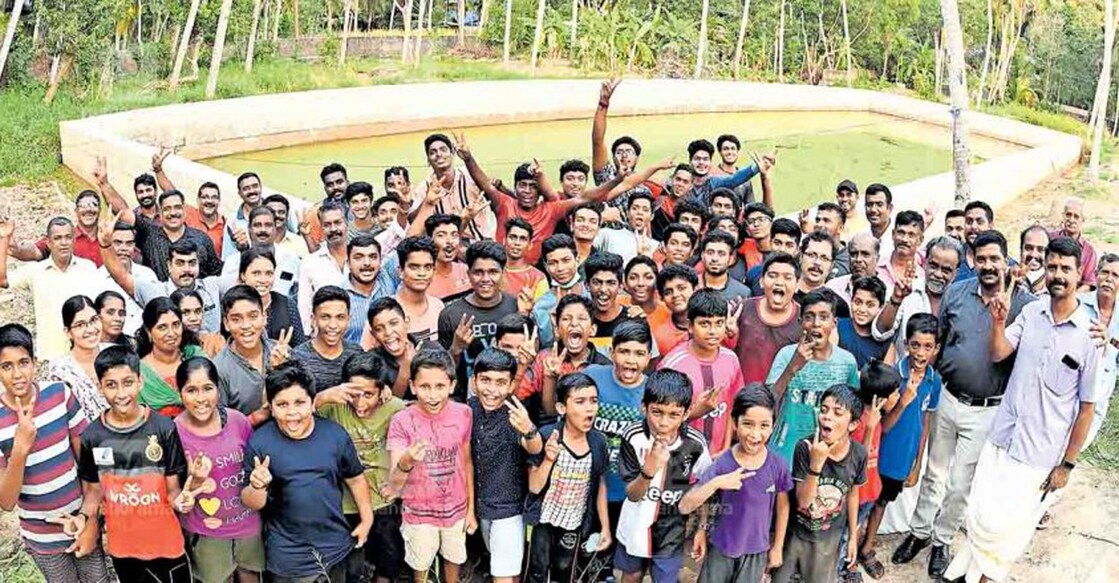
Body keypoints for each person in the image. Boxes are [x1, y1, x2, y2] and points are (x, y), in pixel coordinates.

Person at [943, 237, 1103, 583]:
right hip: (1002, 436)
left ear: (1079, 274)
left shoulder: (1090, 337)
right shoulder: (1031, 313)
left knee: (1008, 530)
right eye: (1052, 267)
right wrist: (998, 323)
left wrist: (1067, 465)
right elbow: (1000, 353)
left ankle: (983, 579)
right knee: (982, 515)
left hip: (1039, 453)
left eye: (1066, 268)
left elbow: (1086, 409)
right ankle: (967, 573)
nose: (1058, 275)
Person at [893, 231, 1035, 578]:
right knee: (934, 473)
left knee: (960, 484)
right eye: (981, 259)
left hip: (987, 408)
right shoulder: (956, 293)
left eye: (994, 259)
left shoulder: (1024, 305)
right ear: (973, 260)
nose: (988, 266)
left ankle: (942, 540)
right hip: (948, 397)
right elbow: (939, 342)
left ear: (1006, 260)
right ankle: (920, 531)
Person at [240, 361, 373, 583]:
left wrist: (366, 519)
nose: (292, 413)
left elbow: (356, 479)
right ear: (271, 408)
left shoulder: (335, 435)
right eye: (282, 404)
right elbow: (250, 502)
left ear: (313, 403)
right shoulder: (260, 442)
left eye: (299, 402)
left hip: (335, 549)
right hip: (288, 559)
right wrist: (257, 486)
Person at [0, 323, 109, 583]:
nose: (17, 374)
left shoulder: (59, 395)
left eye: (23, 362)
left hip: (81, 521)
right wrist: (21, 448)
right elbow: (6, 501)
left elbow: (89, 462)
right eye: (6, 366)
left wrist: (90, 517)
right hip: (42, 538)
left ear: (35, 363)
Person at [77, 345, 192, 582]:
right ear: (100, 387)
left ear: (140, 381)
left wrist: (182, 501)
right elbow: (93, 494)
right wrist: (82, 518)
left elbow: (173, 492)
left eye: (127, 382)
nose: (121, 393)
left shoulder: (163, 429)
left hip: (167, 545)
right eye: (111, 385)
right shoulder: (92, 437)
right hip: (124, 549)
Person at [455, 132, 644, 263]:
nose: (527, 191)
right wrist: (468, 157)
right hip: (501, 268)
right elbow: (484, 184)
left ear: (540, 191)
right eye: (522, 186)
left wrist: (618, 178)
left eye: (533, 186)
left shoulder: (551, 209)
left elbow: (585, 198)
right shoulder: (504, 203)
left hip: (536, 272)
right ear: (515, 187)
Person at [858, 314, 942, 580]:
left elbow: (926, 420)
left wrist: (917, 463)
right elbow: (883, 425)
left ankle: (867, 547)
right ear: (906, 343)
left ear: (936, 348)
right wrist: (904, 399)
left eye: (928, 346)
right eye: (915, 345)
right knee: (863, 502)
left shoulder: (934, 380)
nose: (920, 352)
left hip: (903, 457)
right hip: (879, 453)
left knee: (882, 502)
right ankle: (849, 549)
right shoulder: (893, 376)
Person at [680, 384, 793, 583]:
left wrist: (777, 547)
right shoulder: (723, 463)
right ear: (734, 422)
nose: (755, 434)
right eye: (748, 424)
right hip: (720, 547)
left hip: (756, 551)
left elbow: (783, 507)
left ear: (773, 426)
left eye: (764, 425)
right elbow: (686, 504)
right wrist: (701, 529)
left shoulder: (778, 466)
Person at [314, 351, 408, 583]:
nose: (360, 402)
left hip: (383, 501)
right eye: (354, 394)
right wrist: (323, 397)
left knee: (389, 561)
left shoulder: (394, 407)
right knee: (350, 569)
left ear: (382, 391)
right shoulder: (333, 407)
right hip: (344, 504)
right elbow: (300, 415)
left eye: (369, 394)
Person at [613, 370, 712, 583]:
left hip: (671, 532)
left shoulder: (695, 444)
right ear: (644, 407)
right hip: (635, 526)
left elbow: (705, 488)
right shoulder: (633, 437)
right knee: (632, 575)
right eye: (656, 412)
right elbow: (632, 494)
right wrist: (648, 471)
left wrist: (702, 529)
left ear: (686, 413)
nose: (663, 422)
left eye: (674, 415)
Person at [385, 348, 474, 583]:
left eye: (440, 386)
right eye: (424, 387)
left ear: (452, 386)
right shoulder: (402, 421)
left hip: (456, 509)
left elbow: (466, 462)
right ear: (413, 386)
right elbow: (394, 484)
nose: (432, 395)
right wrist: (406, 461)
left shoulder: (464, 413)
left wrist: (471, 509)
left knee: (453, 557)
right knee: (421, 565)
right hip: (418, 514)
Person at [172, 357, 264, 583]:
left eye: (208, 388)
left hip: (248, 525)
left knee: (251, 575)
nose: (201, 398)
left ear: (218, 389)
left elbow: (254, 469)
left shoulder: (237, 421)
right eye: (191, 390)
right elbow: (173, 489)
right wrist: (189, 488)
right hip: (206, 533)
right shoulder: (174, 432)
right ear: (180, 393)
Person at [772, 384, 867, 583]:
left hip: (828, 540)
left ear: (853, 424)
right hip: (796, 535)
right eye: (823, 410)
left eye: (837, 413)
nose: (827, 416)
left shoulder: (858, 454)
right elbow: (804, 503)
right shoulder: (804, 448)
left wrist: (852, 537)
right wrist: (816, 465)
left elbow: (853, 495)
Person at [524, 372, 612, 583]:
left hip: (574, 522)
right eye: (580, 402)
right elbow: (534, 487)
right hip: (542, 521)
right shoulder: (546, 436)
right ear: (562, 408)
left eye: (593, 401)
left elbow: (599, 484)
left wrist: (605, 527)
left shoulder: (598, 443)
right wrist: (548, 459)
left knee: (565, 571)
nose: (589, 408)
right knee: (536, 570)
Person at [467, 349, 543, 583]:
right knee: (506, 567)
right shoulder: (469, 409)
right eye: (485, 380)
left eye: (501, 382)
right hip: (481, 508)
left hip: (508, 511)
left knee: (502, 574)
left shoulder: (515, 413)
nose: (492, 389)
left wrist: (529, 429)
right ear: (474, 381)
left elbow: (535, 447)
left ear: (511, 385)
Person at [583, 320, 653, 572]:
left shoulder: (651, 391)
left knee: (623, 557)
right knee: (589, 554)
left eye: (639, 353)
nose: (630, 361)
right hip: (591, 487)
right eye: (624, 351)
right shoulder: (592, 376)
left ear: (649, 356)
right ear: (611, 352)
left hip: (628, 492)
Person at [767, 288, 860, 468]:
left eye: (823, 317)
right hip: (784, 452)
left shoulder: (847, 361)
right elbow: (768, 401)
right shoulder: (786, 355)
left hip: (826, 457)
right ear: (801, 322)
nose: (816, 323)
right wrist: (793, 367)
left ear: (834, 322)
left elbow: (852, 411)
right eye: (809, 317)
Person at [100, 215, 224, 333]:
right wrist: (105, 245)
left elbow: (241, 275)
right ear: (169, 266)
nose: (187, 269)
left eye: (192, 263)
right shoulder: (156, 292)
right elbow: (121, 277)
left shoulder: (213, 286)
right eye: (180, 263)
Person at [0, 216, 101, 360]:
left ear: (74, 240)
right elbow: (3, 280)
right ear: (48, 242)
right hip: (51, 357)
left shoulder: (88, 268)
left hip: (88, 356)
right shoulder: (35, 271)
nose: (63, 243)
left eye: (68, 237)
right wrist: (4, 238)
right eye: (58, 238)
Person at [658, 289, 745, 453]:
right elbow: (660, 422)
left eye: (719, 323)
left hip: (718, 456)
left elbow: (731, 410)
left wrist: (725, 448)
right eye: (704, 324)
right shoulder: (672, 365)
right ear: (690, 326)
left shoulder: (731, 360)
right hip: (678, 459)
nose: (712, 331)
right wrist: (695, 413)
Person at [837, 361, 901, 583]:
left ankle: (848, 564)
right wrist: (871, 428)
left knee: (853, 531)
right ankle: (842, 569)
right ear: (880, 399)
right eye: (895, 393)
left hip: (870, 492)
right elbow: (856, 464)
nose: (898, 396)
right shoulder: (857, 423)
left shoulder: (875, 417)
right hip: (854, 496)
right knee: (845, 536)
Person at [438, 240, 518, 400]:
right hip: (465, 402)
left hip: (507, 398)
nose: (485, 279)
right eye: (478, 272)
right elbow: (442, 372)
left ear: (503, 273)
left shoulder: (514, 306)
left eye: (493, 272)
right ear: (468, 274)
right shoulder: (450, 314)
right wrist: (456, 348)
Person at [517, 294, 611, 422]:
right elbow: (516, 397)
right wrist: (522, 366)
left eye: (582, 318)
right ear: (556, 330)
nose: (574, 324)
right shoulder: (544, 358)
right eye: (566, 319)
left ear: (593, 330)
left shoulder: (604, 367)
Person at [872, 235, 963, 356]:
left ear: (956, 272)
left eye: (946, 270)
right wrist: (896, 300)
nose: (937, 274)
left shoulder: (961, 300)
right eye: (933, 266)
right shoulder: (907, 290)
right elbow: (880, 333)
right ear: (925, 263)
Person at [212, 286, 289, 425]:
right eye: (236, 319)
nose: (246, 325)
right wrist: (257, 417)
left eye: (253, 316)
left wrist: (281, 369)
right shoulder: (219, 369)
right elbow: (221, 425)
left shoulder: (282, 351)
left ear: (264, 317)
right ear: (226, 323)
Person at [411, 132, 497, 240]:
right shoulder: (424, 188)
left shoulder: (471, 174)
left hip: (482, 242)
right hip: (447, 248)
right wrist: (427, 202)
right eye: (433, 152)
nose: (439, 154)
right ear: (428, 161)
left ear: (452, 154)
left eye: (443, 150)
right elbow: (412, 222)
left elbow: (489, 189)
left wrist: (468, 158)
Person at [735, 253, 802, 385]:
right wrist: (729, 336)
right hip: (744, 397)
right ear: (761, 281)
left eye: (787, 278)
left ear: (797, 285)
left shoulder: (804, 318)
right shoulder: (743, 309)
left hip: (782, 398)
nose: (779, 282)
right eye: (773, 276)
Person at [135, 298, 205, 417]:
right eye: (162, 327)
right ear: (148, 332)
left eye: (176, 325)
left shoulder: (196, 356)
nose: (171, 333)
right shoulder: (139, 372)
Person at [46, 296, 110, 421]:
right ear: (68, 332)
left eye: (94, 320)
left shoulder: (114, 353)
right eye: (80, 325)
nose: (91, 329)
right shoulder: (60, 371)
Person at [290, 286, 363, 394]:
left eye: (340, 317)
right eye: (325, 317)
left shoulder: (356, 352)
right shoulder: (297, 357)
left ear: (348, 320)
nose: (333, 325)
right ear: (313, 319)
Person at [218, 206, 301, 297]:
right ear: (249, 228)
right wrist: (243, 254)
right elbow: (228, 296)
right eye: (257, 225)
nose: (263, 230)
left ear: (275, 229)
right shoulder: (233, 261)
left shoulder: (291, 259)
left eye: (268, 225)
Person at [296, 201, 349, 333]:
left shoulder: (361, 256)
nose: (333, 229)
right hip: (326, 337)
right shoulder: (310, 263)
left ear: (347, 223)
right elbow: (304, 306)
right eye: (327, 225)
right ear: (321, 228)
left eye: (338, 222)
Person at [96, 222, 158, 336]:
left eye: (129, 243)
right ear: (109, 244)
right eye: (118, 243)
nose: (123, 248)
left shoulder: (147, 275)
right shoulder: (96, 278)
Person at [236, 246, 306, 345]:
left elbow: (300, 347)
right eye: (256, 273)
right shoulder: (233, 305)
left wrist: (287, 355)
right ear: (243, 275)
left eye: (269, 273)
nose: (263, 280)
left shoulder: (287, 304)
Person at [531, 234, 586, 346]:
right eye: (553, 263)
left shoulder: (593, 296)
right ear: (546, 266)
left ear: (577, 260)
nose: (560, 268)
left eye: (566, 260)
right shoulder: (540, 308)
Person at [584, 252, 642, 357]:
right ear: (587, 285)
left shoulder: (633, 320)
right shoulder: (580, 321)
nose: (603, 289)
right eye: (597, 282)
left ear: (620, 287)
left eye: (611, 283)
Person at [390, 236, 445, 346]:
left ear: (434, 270)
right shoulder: (386, 310)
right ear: (400, 271)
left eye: (428, 267)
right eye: (414, 267)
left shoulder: (438, 306)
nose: (422, 273)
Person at [342, 234, 394, 345]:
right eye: (358, 257)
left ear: (380, 261)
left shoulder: (389, 278)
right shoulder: (338, 298)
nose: (366, 263)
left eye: (373, 256)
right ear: (348, 264)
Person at [365, 297, 422, 399]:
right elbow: (387, 408)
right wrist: (405, 369)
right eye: (379, 329)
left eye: (394, 323)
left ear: (407, 322)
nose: (388, 332)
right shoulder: (372, 363)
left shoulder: (429, 349)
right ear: (373, 334)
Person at [837, 276, 892, 368]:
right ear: (851, 301)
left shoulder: (885, 340)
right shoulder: (837, 327)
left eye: (870, 305)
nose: (862, 309)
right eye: (858, 302)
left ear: (881, 307)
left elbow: (886, 377)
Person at [594, 192, 660, 265]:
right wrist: (601, 218)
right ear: (628, 213)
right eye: (635, 208)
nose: (639, 212)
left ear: (652, 216)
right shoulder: (607, 234)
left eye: (645, 210)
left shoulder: (656, 246)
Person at [1049, 197, 1097, 289]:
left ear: (1083, 220)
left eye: (1076, 216)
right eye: (1068, 215)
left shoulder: (1089, 251)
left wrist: (1070, 298)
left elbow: (1088, 284)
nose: (1071, 220)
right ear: (1063, 216)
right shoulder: (1050, 239)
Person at [649, 264, 698, 355]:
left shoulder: (713, 323)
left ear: (695, 289)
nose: (675, 295)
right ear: (662, 298)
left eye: (681, 288)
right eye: (668, 292)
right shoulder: (660, 336)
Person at [876, 210, 926, 293]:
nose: (904, 239)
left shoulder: (922, 277)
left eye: (911, 235)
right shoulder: (876, 267)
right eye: (901, 233)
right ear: (893, 234)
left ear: (920, 240)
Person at [697, 229, 752, 302]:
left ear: (731, 259)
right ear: (702, 255)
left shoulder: (743, 293)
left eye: (721, 254)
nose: (715, 258)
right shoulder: (691, 287)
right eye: (710, 253)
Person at [827, 232, 881, 305]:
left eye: (865, 254)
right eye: (853, 254)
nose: (858, 259)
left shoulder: (888, 291)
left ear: (877, 258)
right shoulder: (833, 288)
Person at [170, 288, 227, 358]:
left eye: (198, 311)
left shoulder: (215, 341)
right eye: (185, 312)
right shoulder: (166, 345)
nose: (194, 318)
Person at [500, 218, 546, 297]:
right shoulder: (491, 271)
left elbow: (543, 308)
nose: (517, 243)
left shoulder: (538, 277)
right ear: (504, 240)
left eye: (522, 239)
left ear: (529, 245)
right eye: (513, 237)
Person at [954, 200, 995, 282]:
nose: (973, 226)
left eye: (979, 222)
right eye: (969, 221)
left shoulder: (1002, 263)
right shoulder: (953, 257)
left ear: (990, 226)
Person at [862, 184, 894, 257]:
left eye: (879, 205)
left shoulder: (899, 238)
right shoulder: (860, 237)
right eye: (869, 205)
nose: (873, 210)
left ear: (890, 208)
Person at [1020, 224, 1051, 296]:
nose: (1033, 254)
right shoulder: (1009, 281)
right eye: (1028, 248)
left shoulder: (1053, 287)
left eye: (1040, 250)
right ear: (1021, 249)